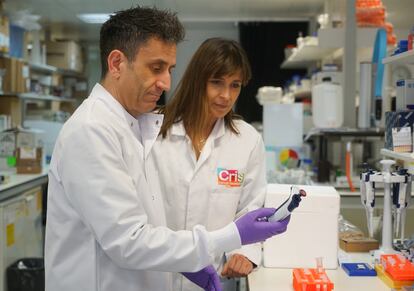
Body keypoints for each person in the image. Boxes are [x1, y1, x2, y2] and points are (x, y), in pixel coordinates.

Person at [44, 7, 290, 291]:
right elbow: (129, 241)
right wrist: (230, 236)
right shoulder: (92, 130)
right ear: (116, 64)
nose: (166, 83)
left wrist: (183, 263)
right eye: (156, 67)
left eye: (170, 70)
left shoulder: (131, 126)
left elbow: (146, 225)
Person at [149, 38, 288, 291]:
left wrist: (245, 254)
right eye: (216, 82)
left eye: (234, 85)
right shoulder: (154, 129)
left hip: (212, 279)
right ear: (196, 80)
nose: (226, 96)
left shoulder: (247, 140)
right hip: (154, 274)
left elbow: (250, 208)